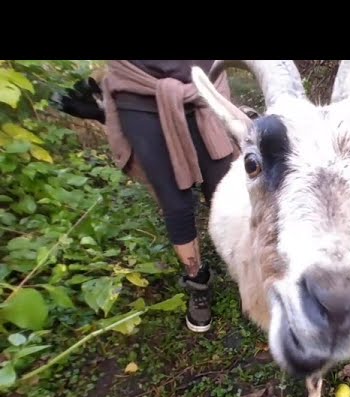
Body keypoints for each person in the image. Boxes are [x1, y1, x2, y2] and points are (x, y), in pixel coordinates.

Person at [54, 60, 244, 334]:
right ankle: (197, 282)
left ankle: (246, 273)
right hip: (138, 93)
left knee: (229, 194)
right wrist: (106, 111)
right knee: (174, 204)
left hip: (204, 88)